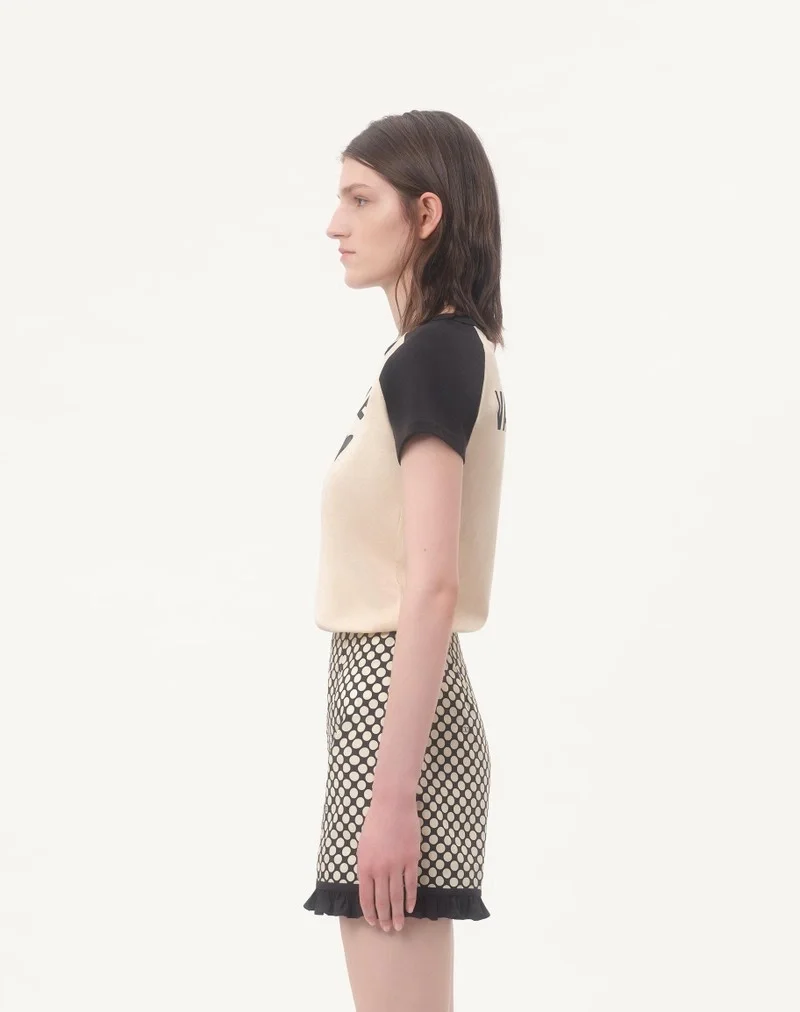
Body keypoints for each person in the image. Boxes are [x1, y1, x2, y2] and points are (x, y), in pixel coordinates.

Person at [303, 109, 507, 1012]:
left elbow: (432, 585)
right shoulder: (446, 352)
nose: (335, 224)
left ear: (425, 214)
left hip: (396, 712)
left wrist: (391, 798)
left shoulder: (433, 356)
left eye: (360, 199)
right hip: (402, 703)